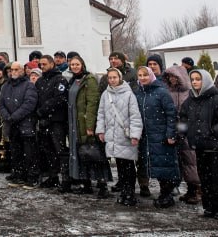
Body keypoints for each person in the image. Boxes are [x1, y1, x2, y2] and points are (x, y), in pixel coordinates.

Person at [182, 69, 218, 221]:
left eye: (198, 79)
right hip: (200, 147)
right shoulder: (190, 101)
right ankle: (210, 206)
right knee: (205, 179)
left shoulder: (217, 100)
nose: (194, 82)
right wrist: (185, 133)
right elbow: (183, 120)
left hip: (216, 148)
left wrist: (211, 131)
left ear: (204, 80)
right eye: (192, 79)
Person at [149, 53, 200, 204]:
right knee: (175, 161)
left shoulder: (188, 93)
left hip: (187, 131)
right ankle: (174, 187)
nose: (172, 79)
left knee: (191, 161)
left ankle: (195, 189)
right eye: (169, 76)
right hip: (172, 129)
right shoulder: (166, 91)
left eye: (175, 76)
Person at [133, 65, 180, 208]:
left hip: (160, 136)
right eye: (140, 76)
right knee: (153, 165)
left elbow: (171, 114)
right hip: (146, 136)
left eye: (145, 75)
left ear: (151, 75)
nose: (142, 78)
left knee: (164, 166)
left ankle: (166, 194)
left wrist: (170, 133)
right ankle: (163, 194)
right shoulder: (138, 93)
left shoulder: (161, 92)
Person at [65, 55, 112, 197]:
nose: (74, 67)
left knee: (94, 154)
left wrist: (90, 126)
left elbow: (92, 104)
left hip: (85, 122)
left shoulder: (89, 80)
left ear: (82, 64)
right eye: (72, 65)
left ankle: (102, 185)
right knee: (82, 154)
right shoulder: (73, 80)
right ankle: (86, 184)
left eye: (77, 64)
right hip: (75, 123)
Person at [96, 67, 143, 206]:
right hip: (112, 135)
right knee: (120, 166)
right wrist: (101, 131)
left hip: (125, 135)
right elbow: (101, 114)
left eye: (114, 77)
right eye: (109, 78)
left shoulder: (129, 94)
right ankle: (124, 191)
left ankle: (130, 193)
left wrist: (135, 134)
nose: (112, 80)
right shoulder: (106, 94)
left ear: (120, 78)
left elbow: (135, 116)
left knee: (128, 166)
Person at [0, 61, 39, 186]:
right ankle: (18, 174)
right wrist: (6, 116)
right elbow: (1, 103)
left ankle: (31, 177)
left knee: (29, 153)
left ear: (21, 71)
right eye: (11, 70)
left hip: (25, 124)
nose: (13, 72)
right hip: (12, 125)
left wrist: (14, 116)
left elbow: (29, 104)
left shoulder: (28, 85)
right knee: (16, 152)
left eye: (16, 70)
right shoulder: (6, 86)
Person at [33, 53, 69, 189]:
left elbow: (59, 99)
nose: (42, 67)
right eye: (40, 65)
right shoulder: (40, 81)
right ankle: (53, 177)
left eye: (44, 64)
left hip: (56, 121)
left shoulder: (60, 80)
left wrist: (44, 109)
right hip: (43, 121)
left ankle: (66, 179)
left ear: (52, 64)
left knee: (60, 150)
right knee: (48, 150)